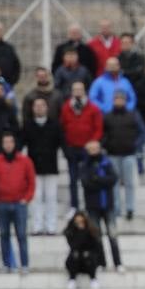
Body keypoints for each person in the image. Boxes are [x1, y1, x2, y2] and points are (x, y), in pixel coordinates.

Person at [0, 132, 36, 274]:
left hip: (19, 204)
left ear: (14, 144)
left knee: (21, 234)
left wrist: (26, 199)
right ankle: (6, 264)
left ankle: (24, 264)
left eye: (10, 142)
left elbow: (31, 182)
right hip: (1, 204)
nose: (8, 145)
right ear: (2, 144)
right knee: (4, 235)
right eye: (5, 142)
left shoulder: (25, 161)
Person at [101, 88, 144, 222]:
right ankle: (116, 207)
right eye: (116, 99)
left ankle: (130, 208)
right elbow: (103, 134)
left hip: (129, 154)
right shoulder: (107, 116)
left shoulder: (133, 115)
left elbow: (142, 132)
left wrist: (135, 145)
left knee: (130, 183)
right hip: (113, 154)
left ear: (125, 101)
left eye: (121, 99)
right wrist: (106, 145)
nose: (119, 101)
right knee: (114, 183)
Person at [21, 97, 63, 235]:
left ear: (47, 108)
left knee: (51, 197)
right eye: (36, 106)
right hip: (34, 167)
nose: (39, 108)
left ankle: (51, 226)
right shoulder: (27, 125)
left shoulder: (55, 125)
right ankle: (37, 226)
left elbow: (61, 143)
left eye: (42, 105)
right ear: (33, 109)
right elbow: (21, 145)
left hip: (51, 166)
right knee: (36, 198)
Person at [60, 81, 103, 211]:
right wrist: (66, 145)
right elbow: (62, 127)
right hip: (72, 148)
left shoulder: (93, 108)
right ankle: (74, 205)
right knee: (73, 179)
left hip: (87, 149)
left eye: (80, 89)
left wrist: (93, 142)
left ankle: (89, 204)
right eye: (75, 90)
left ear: (84, 91)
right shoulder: (66, 107)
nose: (78, 92)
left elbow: (98, 127)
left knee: (88, 178)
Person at [81, 139, 123, 271]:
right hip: (93, 206)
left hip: (108, 205)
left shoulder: (106, 162)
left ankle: (118, 263)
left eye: (95, 148)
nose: (93, 151)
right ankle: (101, 263)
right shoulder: (84, 165)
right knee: (96, 237)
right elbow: (86, 183)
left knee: (112, 235)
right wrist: (102, 181)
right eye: (91, 149)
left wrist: (97, 179)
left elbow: (113, 179)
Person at [63, 210, 105, 289]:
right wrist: (80, 232)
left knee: (89, 256)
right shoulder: (71, 232)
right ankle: (72, 279)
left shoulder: (91, 231)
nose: (80, 223)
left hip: (88, 260)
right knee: (74, 255)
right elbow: (74, 246)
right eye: (77, 222)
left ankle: (93, 279)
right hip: (76, 260)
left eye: (81, 221)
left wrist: (84, 232)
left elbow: (94, 246)